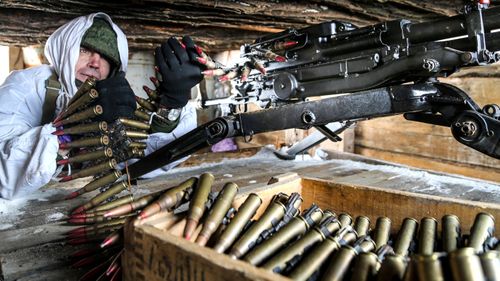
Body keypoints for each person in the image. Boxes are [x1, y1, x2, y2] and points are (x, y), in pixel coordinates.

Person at [0, 13, 204, 199]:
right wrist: (69, 130)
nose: (95, 63)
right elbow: (4, 176)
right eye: (85, 50)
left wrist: (173, 104)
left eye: (106, 57)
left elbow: (143, 164)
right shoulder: (27, 86)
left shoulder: (114, 98)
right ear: (66, 50)